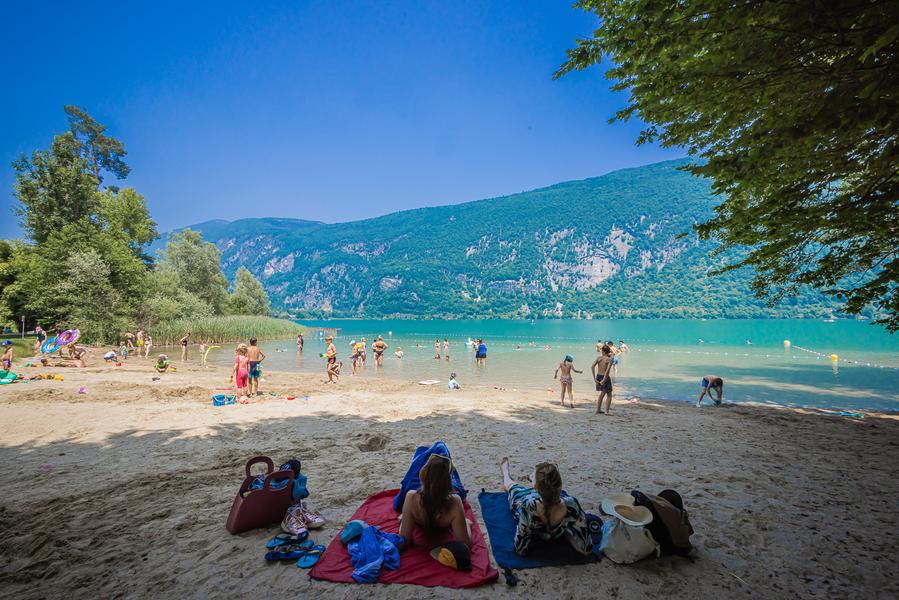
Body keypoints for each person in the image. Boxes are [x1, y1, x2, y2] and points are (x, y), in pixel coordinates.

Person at [500, 458, 591, 556]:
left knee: (512, 486)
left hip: (529, 499)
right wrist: (568, 534)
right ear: (560, 484)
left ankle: (505, 472)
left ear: (535, 486)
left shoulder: (529, 506)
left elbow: (520, 549)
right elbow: (586, 548)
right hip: (551, 505)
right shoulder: (571, 504)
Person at [398, 454, 471, 551]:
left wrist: (404, 520)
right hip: (442, 495)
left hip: (421, 498)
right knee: (442, 453)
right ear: (449, 481)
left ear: (423, 476)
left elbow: (404, 540)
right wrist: (467, 524)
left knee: (429, 452)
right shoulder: (455, 502)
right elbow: (465, 545)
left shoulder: (411, 497)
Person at [591, 345, 614, 415]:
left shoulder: (599, 358)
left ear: (603, 351)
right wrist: (604, 379)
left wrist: (594, 378)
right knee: (609, 394)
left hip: (598, 376)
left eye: (601, 350)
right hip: (605, 377)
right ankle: (606, 411)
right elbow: (607, 371)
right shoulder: (609, 359)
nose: (601, 351)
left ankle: (598, 409)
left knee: (602, 393)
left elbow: (592, 367)